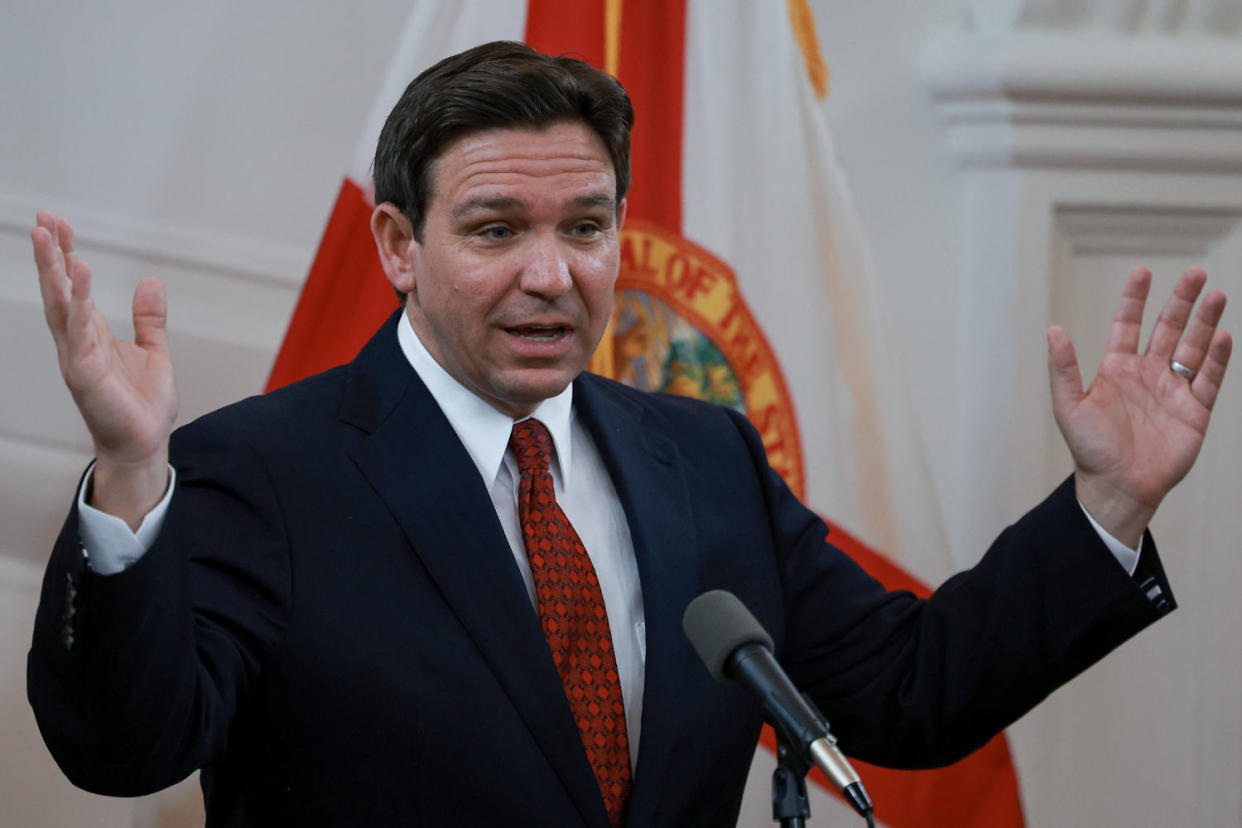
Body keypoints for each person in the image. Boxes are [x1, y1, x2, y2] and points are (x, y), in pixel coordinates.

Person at [27, 41, 1232, 827]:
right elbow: (128, 750)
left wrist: (1108, 509)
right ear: (399, 246)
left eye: (587, 227)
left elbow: (908, 692)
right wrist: (134, 473)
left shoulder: (703, 457)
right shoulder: (264, 468)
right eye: (496, 229)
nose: (553, 276)